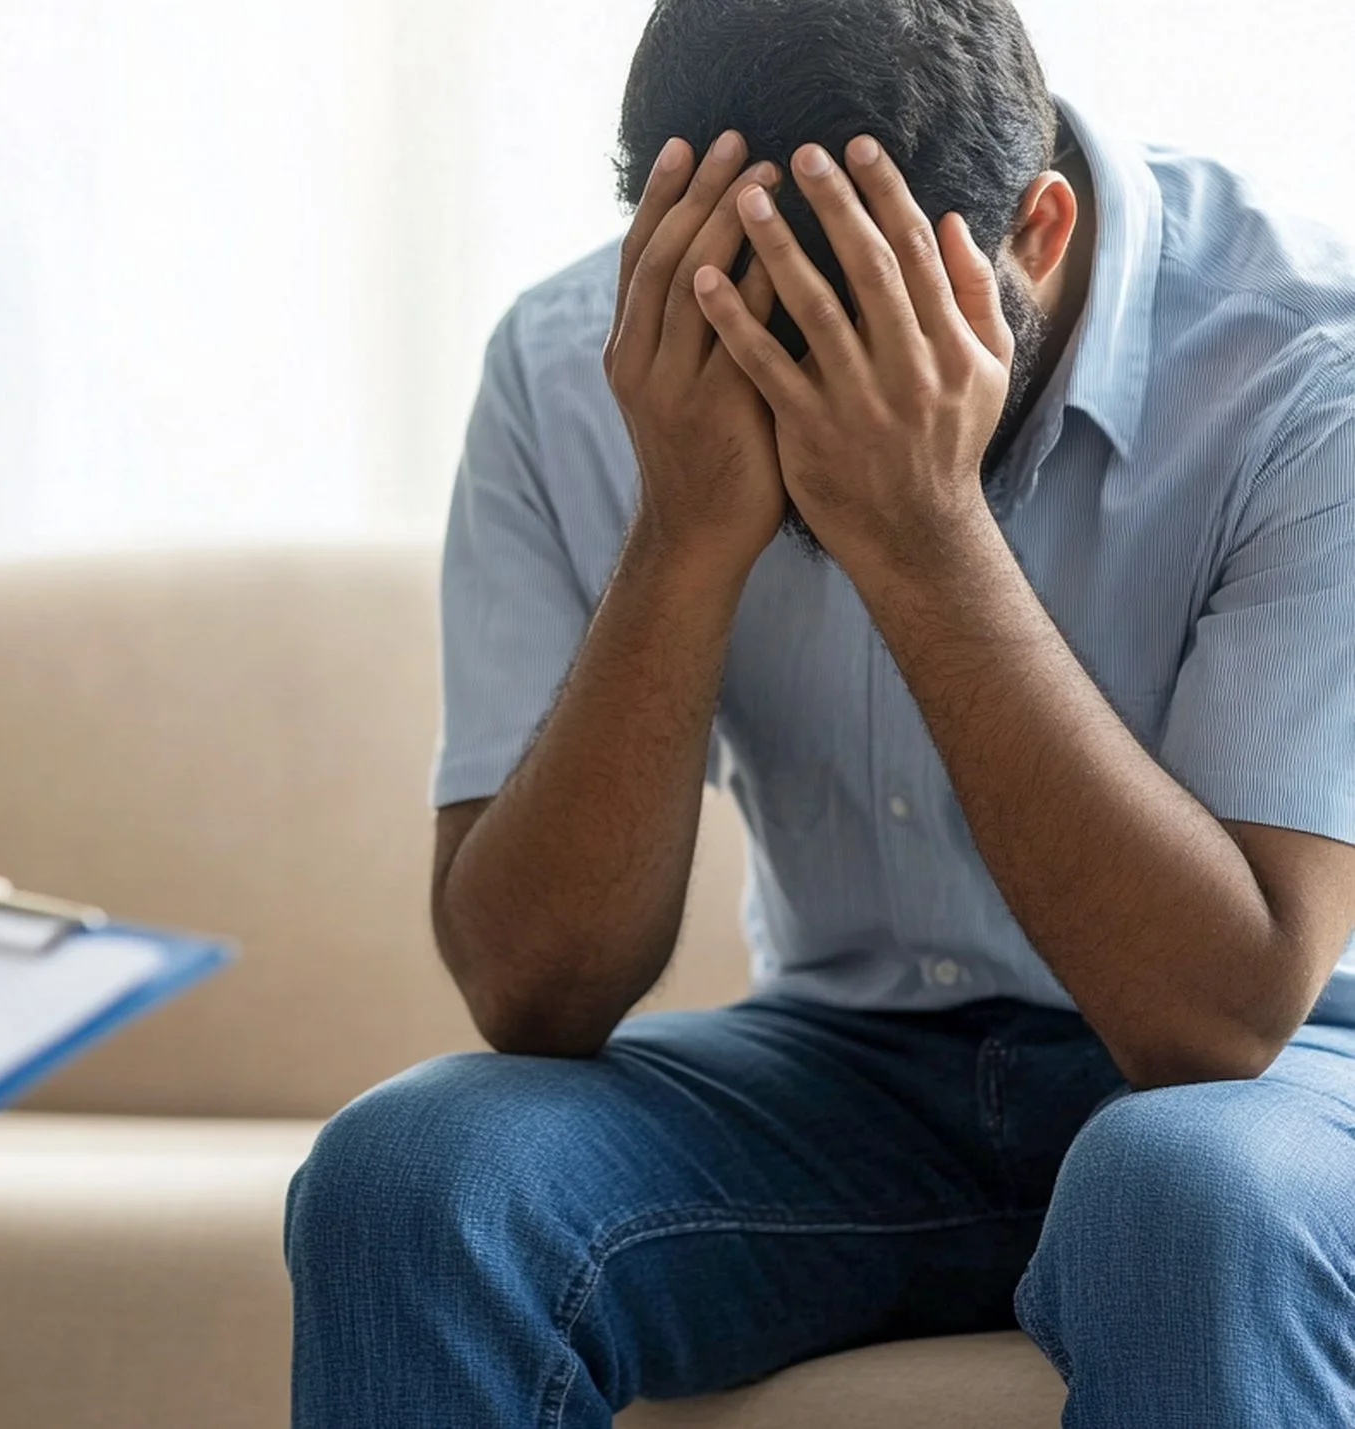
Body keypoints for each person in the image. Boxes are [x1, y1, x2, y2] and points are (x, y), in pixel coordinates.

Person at [286, 1, 1355, 1426]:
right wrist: (679, 531)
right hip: (847, 1073)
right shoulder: (569, 367)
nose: (803, 411)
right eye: (752, 336)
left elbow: (1217, 1022)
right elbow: (532, 992)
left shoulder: (1305, 369)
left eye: (860, 333)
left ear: (1035, 236)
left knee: (1179, 1196)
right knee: (412, 1177)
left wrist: (922, 533)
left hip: (1286, 1081)